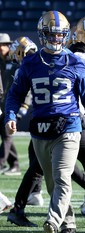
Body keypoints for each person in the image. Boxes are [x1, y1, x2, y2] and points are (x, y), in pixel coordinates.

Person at [6, 17, 85, 233]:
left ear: (66, 35)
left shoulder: (75, 61)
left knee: (64, 177)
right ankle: (69, 222)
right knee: (52, 181)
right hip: (41, 129)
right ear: (42, 34)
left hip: (71, 125)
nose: (56, 38)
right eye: (52, 33)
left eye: (60, 34)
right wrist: (11, 115)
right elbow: (15, 94)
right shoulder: (32, 63)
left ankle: (55, 221)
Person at [0, 33, 21, 176]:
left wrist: (24, 106)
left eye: (2, 45)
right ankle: (15, 165)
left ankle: (1, 164)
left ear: (8, 46)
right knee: (5, 134)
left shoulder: (15, 60)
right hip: (2, 103)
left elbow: (24, 83)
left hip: (14, 104)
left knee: (7, 135)